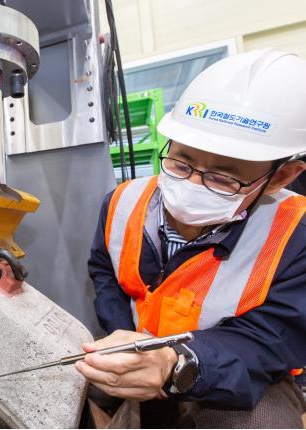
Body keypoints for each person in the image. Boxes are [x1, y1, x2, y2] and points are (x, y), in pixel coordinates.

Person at [77, 49, 305, 427]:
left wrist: (179, 362)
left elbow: (269, 341)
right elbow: (105, 273)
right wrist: (128, 336)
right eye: (181, 163)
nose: (193, 184)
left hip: (235, 372)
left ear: (281, 177)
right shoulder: (121, 202)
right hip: (142, 355)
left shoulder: (294, 235)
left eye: (222, 177)